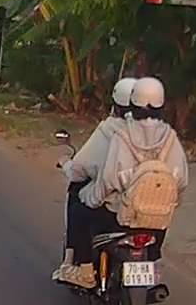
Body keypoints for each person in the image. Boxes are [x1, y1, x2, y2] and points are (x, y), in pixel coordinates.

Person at [62, 77, 189, 289]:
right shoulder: (170, 137)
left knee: (79, 208)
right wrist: (170, 204)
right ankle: (152, 264)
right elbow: (181, 180)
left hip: (120, 215)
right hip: (155, 220)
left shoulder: (122, 136)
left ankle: (85, 271)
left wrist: (91, 199)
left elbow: (108, 180)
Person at [53, 77, 137, 284]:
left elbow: (80, 171)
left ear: (116, 105)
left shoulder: (109, 131)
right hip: (150, 214)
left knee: (77, 200)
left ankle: (84, 269)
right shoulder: (161, 134)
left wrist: (65, 163)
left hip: (115, 211)